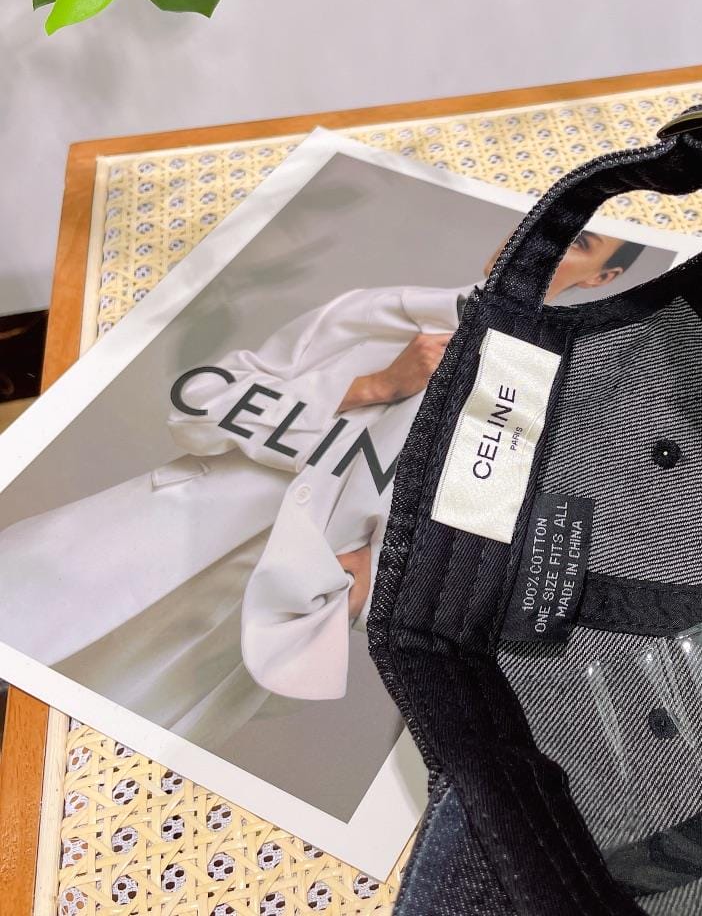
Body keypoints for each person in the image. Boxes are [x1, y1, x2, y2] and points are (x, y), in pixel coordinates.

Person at [0, 232, 644, 750]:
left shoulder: (541, 408)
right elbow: (198, 408)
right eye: (539, 221)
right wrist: (373, 386)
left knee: (64, 758)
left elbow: (460, 549)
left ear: (601, 278)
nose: (537, 242)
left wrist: (372, 572)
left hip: (251, 617)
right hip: (153, 533)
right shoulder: (376, 313)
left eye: (578, 244)